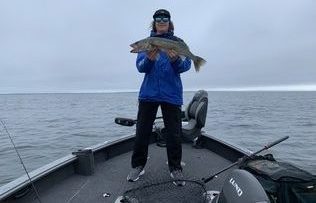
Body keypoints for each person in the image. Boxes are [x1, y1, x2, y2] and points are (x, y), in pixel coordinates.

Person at [127, 9, 191, 186]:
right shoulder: (148, 43)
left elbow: (186, 65)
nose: (161, 21)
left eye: (165, 19)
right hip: (149, 94)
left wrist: (175, 60)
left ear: (169, 23)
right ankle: (138, 165)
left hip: (172, 95)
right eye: (158, 19)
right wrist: (149, 59)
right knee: (141, 132)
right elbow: (141, 67)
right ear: (154, 23)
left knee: (174, 134)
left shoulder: (179, 43)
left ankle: (175, 168)